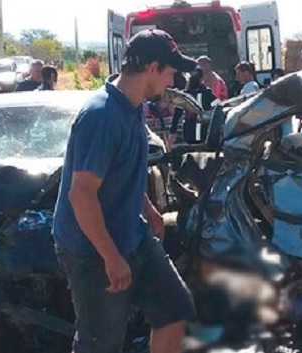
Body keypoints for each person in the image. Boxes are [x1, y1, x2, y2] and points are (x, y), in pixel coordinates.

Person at [52, 28, 198, 353]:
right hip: (91, 249)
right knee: (100, 344)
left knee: (175, 311)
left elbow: (119, 173)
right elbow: (82, 194)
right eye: (170, 73)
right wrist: (112, 257)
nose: (171, 83)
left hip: (133, 234)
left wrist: (147, 209)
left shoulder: (132, 108)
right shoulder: (101, 116)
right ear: (152, 68)